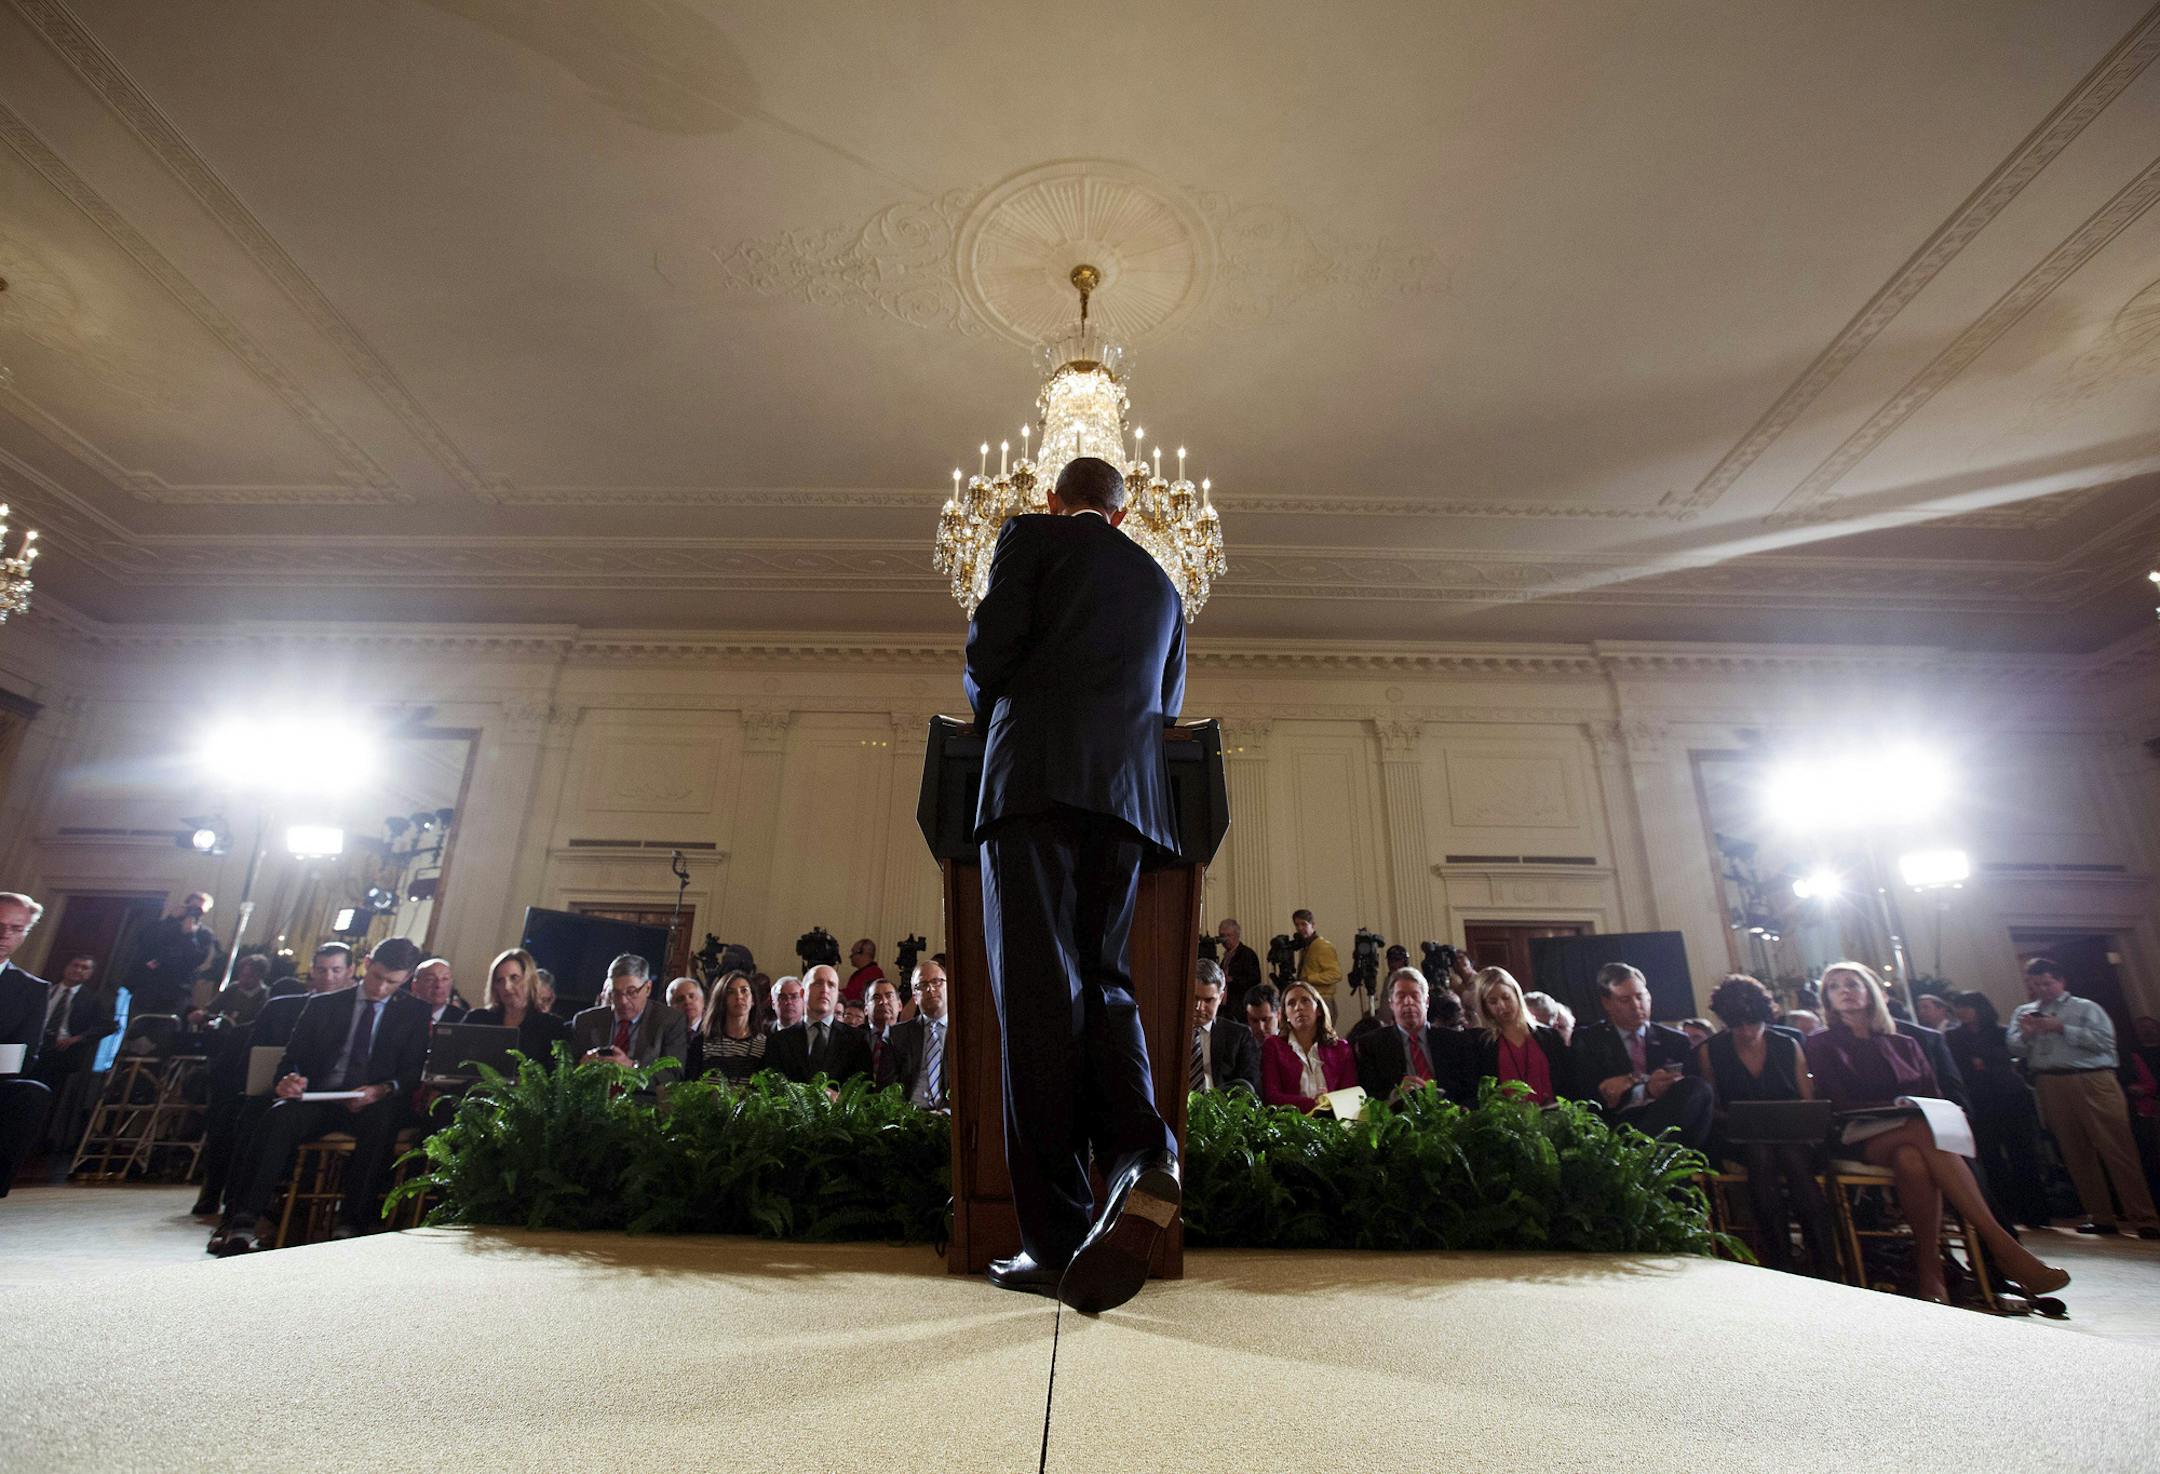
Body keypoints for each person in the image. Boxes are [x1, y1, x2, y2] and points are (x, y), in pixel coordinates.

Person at [963, 454, 1186, 1313]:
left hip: (1033, 787)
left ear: (1054, 500)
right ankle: (1143, 1153)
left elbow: (991, 649)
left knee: (1037, 997)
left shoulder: (1029, 535)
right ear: (1123, 515)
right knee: (1107, 985)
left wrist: (994, 702)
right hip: (1127, 803)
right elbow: (1164, 707)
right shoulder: (1165, 588)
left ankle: (1054, 1241)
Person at [1808, 961, 2068, 1300]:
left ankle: (1930, 1273)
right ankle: (2003, 1247)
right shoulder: (1820, 1044)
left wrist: (1910, 1107)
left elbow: (1933, 1095)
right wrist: (1897, 1107)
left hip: (1912, 1134)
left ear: (1869, 992)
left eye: (1852, 984)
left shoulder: (1905, 1043)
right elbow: (1834, 1102)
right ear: (1827, 999)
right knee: (1922, 1133)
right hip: (1856, 1133)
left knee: (1912, 1159)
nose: (1844, 990)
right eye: (1834, 986)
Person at [213, 937, 431, 1253]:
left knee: (382, 1124)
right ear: (366, 965)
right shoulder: (323, 1005)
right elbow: (292, 1059)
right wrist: (289, 1080)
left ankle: (352, 1222)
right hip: (319, 1097)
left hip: (373, 1102)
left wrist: (381, 1090)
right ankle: (244, 1222)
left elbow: (412, 1071)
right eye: (377, 977)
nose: (382, 988)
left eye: (392, 983)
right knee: (277, 1117)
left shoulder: (413, 1012)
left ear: (407, 979)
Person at [195, 942, 356, 1220]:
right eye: (321, 970)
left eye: (336, 970)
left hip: (325, 1100)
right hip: (273, 1090)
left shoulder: (361, 1013)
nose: (328, 977)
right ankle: (238, 1208)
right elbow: (254, 1057)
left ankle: (291, 1212)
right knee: (241, 1114)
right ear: (312, 972)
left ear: (350, 972)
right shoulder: (282, 1008)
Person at [2006, 956, 2159, 1238]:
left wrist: (2062, 1028)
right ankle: (2100, 1216)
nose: (2042, 989)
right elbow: (2014, 1047)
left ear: (2061, 981)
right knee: (2075, 1153)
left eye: (2048, 983)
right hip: (2050, 1082)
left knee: (2117, 1148)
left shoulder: (2086, 1008)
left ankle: (2144, 1216)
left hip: (2091, 1079)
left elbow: (2105, 1042)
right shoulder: (2024, 1012)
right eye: (2036, 984)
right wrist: (2027, 1035)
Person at [1696, 974, 1836, 1278]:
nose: (1747, 1032)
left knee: (1789, 1154)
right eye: (1738, 1025)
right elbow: (1712, 1106)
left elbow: (1806, 1101)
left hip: (1792, 1136)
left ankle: (1821, 1260)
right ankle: (1783, 1260)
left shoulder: (1787, 1045)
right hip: (1739, 1137)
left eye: (1753, 1024)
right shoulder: (1712, 1050)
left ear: (1765, 1017)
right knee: (1761, 1150)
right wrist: (1740, 1118)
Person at [1570, 961, 1713, 1149]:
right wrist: (1645, 1089)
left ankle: (1643, 1154)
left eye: (1640, 996)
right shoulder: (1588, 1040)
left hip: (1669, 1124)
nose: (1636, 1005)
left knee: (1698, 1088)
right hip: (1617, 1128)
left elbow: (1688, 1093)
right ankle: (1640, 1154)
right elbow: (1588, 1096)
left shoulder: (1675, 1040)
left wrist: (1640, 1084)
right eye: (1625, 1000)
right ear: (1607, 1003)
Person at [1945, 990, 2051, 1230]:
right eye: (1959, 1007)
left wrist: (1983, 1061)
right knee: (1990, 1157)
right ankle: (2004, 1212)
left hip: (2009, 1097)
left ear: (1980, 1008)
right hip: (1978, 1099)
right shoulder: (1952, 1036)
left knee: (2023, 1153)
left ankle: (2035, 1212)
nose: (1962, 1011)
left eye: (1967, 1006)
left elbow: (2013, 1056)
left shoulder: (2002, 1032)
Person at [0, 892, 55, 1196]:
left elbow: (23, 1055)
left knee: (33, 1094)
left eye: (16, 929)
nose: (4, 935)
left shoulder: (32, 990)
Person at [1358, 966, 1474, 1105]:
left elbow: (1470, 1091)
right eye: (1401, 996)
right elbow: (1368, 1099)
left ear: (1426, 1002)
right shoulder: (1372, 1045)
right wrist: (1396, 1096)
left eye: (1415, 996)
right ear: (1391, 1004)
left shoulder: (1454, 1041)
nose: (1408, 1002)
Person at [570, 955, 688, 1087]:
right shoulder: (586, 1021)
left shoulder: (669, 1020)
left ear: (648, 988)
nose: (623, 1001)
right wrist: (582, 1067)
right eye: (616, 993)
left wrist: (633, 1068)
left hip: (643, 1102)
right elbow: (567, 1072)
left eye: (631, 992)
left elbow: (674, 1075)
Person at [1472, 967, 1572, 1107]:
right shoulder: (1482, 1044)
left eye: (1506, 997)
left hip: (1553, 1115)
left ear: (1516, 995)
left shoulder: (1549, 1037)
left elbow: (1567, 1082)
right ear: (1485, 1007)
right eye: (1493, 1002)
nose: (1502, 1006)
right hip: (1507, 1122)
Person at [765, 964, 871, 1085]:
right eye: (818, 983)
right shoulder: (779, 1041)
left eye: (831, 985)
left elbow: (864, 1089)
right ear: (802, 993)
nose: (825, 990)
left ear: (837, 995)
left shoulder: (857, 1040)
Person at [1260, 980, 1356, 1112]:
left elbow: (1350, 1094)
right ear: (1285, 1015)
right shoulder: (1273, 1046)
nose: (1298, 1007)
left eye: (1305, 1001)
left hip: (1335, 1121)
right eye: (1291, 1003)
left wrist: (1329, 1102)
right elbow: (1272, 1096)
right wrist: (1314, 1104)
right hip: (1291, 1124)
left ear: (1319, 1010)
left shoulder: (1341, 1048)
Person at [463, 948, 571, 1061]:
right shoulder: (477, 1019)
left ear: (529, 980)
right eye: (500, 980)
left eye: (514, 978)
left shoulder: (552, 1026)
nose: (507, 987)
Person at [125, 891, 217, 1017]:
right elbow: (146, 943)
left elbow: (196, 960)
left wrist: (189, 935)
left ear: (205, 912)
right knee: (136, 1027)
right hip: (148, 985)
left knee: (163, 1029)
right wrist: (171, 919)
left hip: (176, 990)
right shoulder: (164, 925)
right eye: (191, 908)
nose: (193, 912)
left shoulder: (204, 934)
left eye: (198, 910)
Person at [1188, 959, 1261, 1098]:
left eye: (1208, 1000)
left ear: (1221, 997)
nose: (1199, 1007)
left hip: (1221, 1111)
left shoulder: (1239, 1036)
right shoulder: (1167, 1033)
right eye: (1194, 998)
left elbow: (1250, 1088)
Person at [882, 959, 949, 1109]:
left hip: (953, 1119)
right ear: (914, 996)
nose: (930, 989)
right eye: (922, 985)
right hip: (908, 1119)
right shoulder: (896, 1035)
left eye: (937, 982)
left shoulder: (964, 1033)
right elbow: (887, 1090)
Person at [698, 971, 768, 1083]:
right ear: (722, 1000)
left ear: (753, 999)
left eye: (744, 991)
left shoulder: (764, 1045)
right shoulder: (703, 1042)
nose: (739, 996)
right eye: (731, 992)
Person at [1290, 909, 1343, 1006]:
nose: (1300, 928)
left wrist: (1308, 979)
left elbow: (1335, 974)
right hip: (1310, 997)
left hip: (1322, 999)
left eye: (1304, 924)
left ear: (1313, 925)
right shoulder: (1306, 946)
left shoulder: (1323, 946)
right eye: (1297, 925)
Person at [863, 978, 901, 1084]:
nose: (883, 1001)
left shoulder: (909, 1039)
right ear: (865, 1009)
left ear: (900, 1005)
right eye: (876, 997)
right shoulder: (854, 1038)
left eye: (889, 996)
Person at [408, 957, 465, 1027]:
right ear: (414, 986)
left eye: (445, 979)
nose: (439, 985)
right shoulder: (401, 1015)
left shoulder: (463, 1020)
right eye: (430, 979)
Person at [1216, 919, 1262, 1005]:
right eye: (1222, 936)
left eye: (1228, 935)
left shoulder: (1247, 954)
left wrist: (1232, 980)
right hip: (1226, 1007)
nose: (1225, 939)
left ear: (1237, 935)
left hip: (1241, 1006)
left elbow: (1255, 980)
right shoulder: (1226, 956)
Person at [844, 938, 884, 1007]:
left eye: (853, 953)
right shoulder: (859, 973)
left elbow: (855, 996)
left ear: (861, 952)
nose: (850, 956)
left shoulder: (873, 973)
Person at [1243, 982, 1280, 1050]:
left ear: (1278, 1014)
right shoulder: (1242, 1048)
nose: (1261, 1028)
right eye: (1254, 1021)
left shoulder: (1291, 1045)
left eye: (1265, 1019)